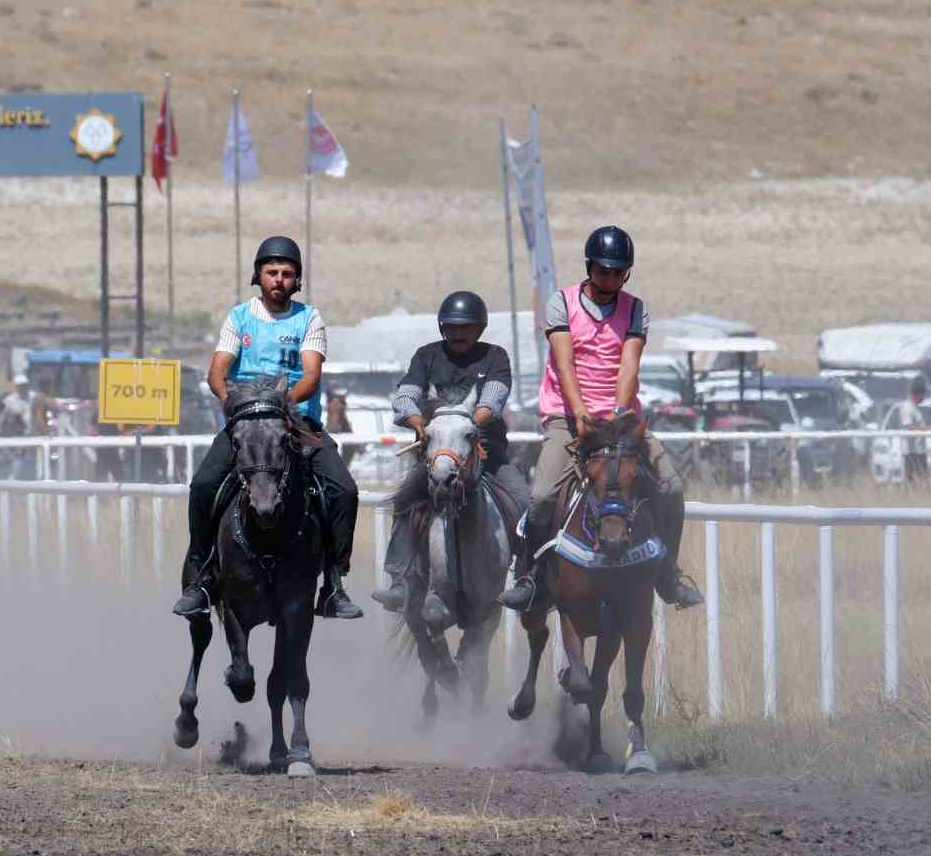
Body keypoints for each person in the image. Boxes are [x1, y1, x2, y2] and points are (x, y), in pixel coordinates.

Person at [500, 225, 703, 612]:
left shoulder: (635, 309)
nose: (610, 278)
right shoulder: (560, 303)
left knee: (672, 486)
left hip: (620, 418)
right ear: (590, 267)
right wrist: (580, 417)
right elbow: (565, 363)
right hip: (567, 415)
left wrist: (619, 415)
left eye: (618, 272)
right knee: (542, 495)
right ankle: (530, 576)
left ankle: (669, 573)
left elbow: (629, 364)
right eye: (603, 271)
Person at [171, 234, 364, 620]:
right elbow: (217, 373)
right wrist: (235, 406)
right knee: (204, 484)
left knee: (344, 489)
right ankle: (201, 574)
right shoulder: (238, 317)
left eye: (287, 273)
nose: (279, 279)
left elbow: (311, 375)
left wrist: (282, 406)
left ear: (297, 280)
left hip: (296, 420)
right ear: (258, 276)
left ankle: (334, 583)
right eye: (271, 272)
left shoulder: (309, 318)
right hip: (246, 423)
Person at [370, 290, 532, 612]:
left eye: (466, 327)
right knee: (405, 504)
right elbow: (404, 399)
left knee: (526, 503)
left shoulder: (495, 357)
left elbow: (493, 401)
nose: (458, 333)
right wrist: (418, 423)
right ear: (442, 327)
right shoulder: (426, 356)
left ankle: (528, 579)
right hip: (436, 457)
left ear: (480, 329)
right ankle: (400, 579)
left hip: (487, 455)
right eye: (452, 327)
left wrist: (465, 425)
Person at [887, 377, 931, 485]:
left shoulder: (915, 408)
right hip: (911, 451)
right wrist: (927, 428)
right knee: (912, 478)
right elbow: (909, 427)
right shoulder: (907, 407)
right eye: (923, 395)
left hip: (919, 450)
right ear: (918, 394)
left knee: (922, 478)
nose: (924, 398)